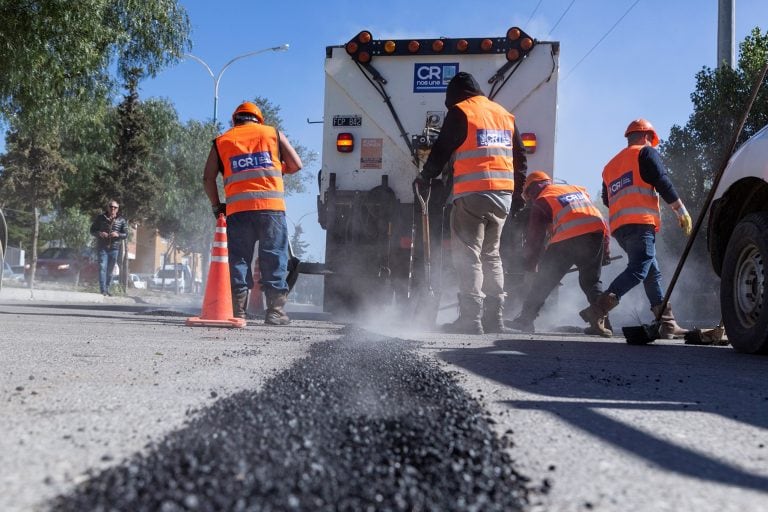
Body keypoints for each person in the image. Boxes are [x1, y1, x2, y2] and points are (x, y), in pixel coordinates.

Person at [416, 72, 527, 334]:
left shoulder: (462, 112)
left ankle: (471, 318)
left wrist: (425, 176)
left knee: (469, 255)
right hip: (502, 196)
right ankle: (494, 318)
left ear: (454, 95)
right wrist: (518, 193)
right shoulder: (504, 114)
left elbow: (442, 149)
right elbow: (520, 156)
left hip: (472, 195)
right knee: (492, 255)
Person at [580, 119, 693, 339]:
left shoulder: (610, 166)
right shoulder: (646, 153)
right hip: (641, 222)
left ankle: (667, 324)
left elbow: (607, 198)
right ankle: (598, 310)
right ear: (647, 136)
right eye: (651, 140)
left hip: (621, 227)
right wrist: (681, 211)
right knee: (639, 269)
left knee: (652, 273)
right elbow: (662, 181)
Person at [203, 101, 302, 325]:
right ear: (258, 119)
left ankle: (238, 312)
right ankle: (275, 312)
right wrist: (276, 167)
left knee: (238, 258)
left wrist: (217, 206)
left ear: (235, 119)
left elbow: (208, 178)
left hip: (238, 211)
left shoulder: (222, 141)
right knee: (274, 256)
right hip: (271, 210)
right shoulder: (272, 134)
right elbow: (296, 165)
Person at [509, 171, 612, 336]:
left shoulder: (542, 200)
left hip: (567, 238)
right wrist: (605, 249)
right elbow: (601, 219)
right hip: (595, 233)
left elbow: (535, 238)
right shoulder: (576, 190)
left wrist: (531, 264)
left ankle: (525, 319)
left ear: (531, 191)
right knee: (591, 282)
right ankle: (603, 323)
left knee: (544, 280)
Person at [90, 200, 127, 296]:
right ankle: (103, 290)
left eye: (115, 207)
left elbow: (126, 234)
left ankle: (107, 289)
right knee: (102, 267)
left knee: (110, 270)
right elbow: (92, 230)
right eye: (111, 206)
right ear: (107, 207)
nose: (113, 208)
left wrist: (117, 234)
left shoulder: (122, 220)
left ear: (118, 209)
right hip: (102, 247)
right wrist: (100, 233)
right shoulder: (100, 218)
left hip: (114, 248)